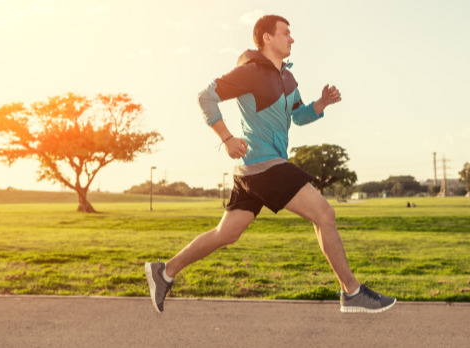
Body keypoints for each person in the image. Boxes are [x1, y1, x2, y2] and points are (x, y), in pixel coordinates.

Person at [145, 14, 395, 314]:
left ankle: (164, 272)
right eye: (286, 33)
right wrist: (226, 139)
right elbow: (205, 97)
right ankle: (352, 292)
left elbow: (299, 116)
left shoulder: (288, 78)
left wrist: (321, 104)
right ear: (267, 37)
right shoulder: (250, 71)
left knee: (226, 234)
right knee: (325, 215)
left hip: (254, 171)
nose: (291, 38)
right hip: (265, 165)